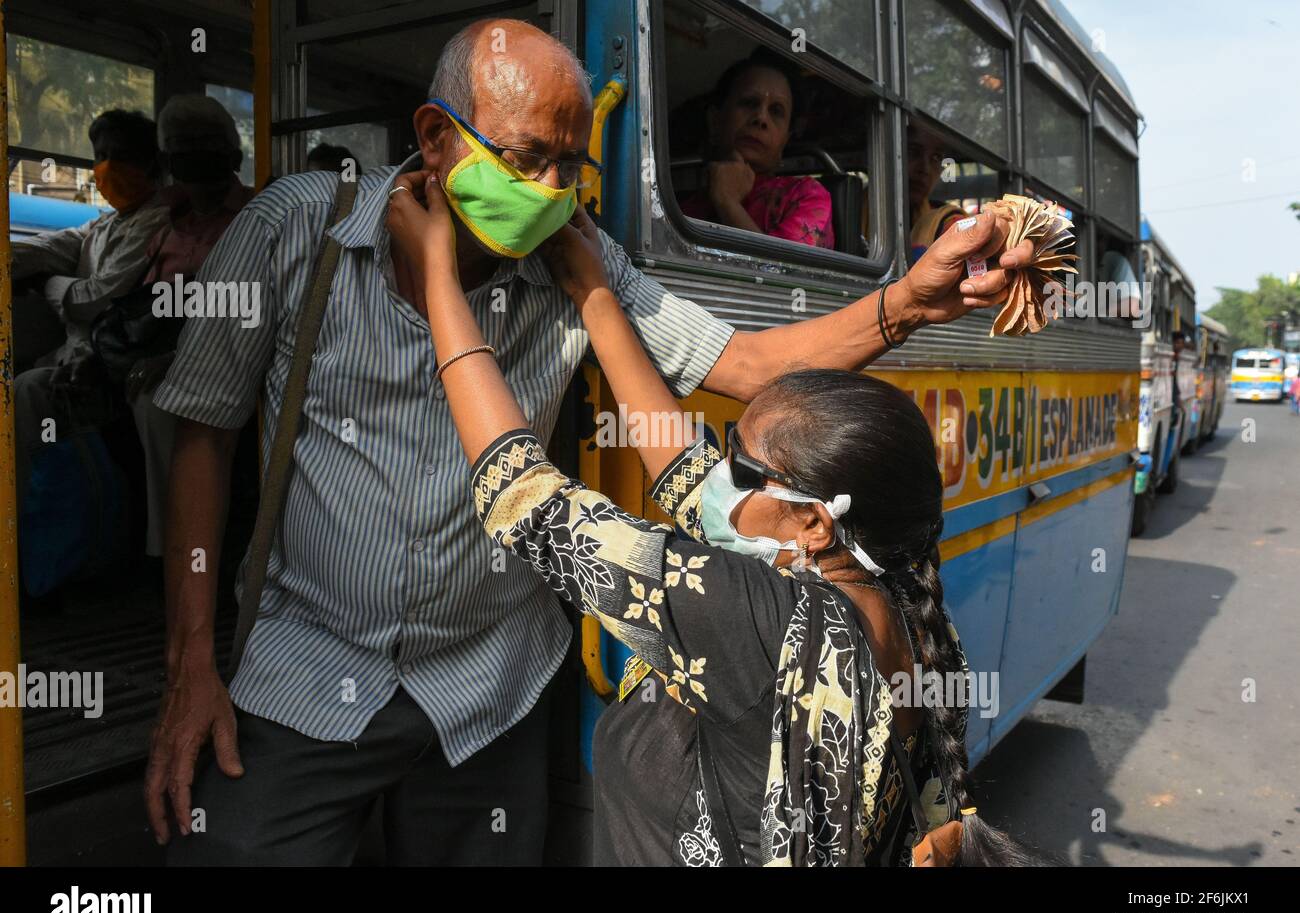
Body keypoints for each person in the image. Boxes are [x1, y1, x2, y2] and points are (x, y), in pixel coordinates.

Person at [147, 17, 1034, 865]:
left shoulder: (578, 256)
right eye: (526, 159)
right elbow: (203, 433)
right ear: (434, 134)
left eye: (569, 166)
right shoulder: (295, 228)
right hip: (305, 669)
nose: (548, 191)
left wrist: (910, 302)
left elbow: (746, 367)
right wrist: (193, 660)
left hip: (487, 689)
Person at [387, 177, 1037, 866]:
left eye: (742, 469)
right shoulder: (908, 606)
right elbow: (683, 470)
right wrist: (596, 296)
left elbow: (524, 496)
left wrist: (438, 284)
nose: (715, 478)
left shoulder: (757, 621)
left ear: (816, 524)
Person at [11, 109, 170, 518]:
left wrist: (49, 284)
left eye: (120, 155)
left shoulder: (159, 222)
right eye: (101, 155)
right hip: (76, 351)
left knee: (27, 392)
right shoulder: (100, 226)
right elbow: (47, 248)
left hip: (115, 361)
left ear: (150, 162)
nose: (108, 166)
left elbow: (100, 297)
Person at [127, 94, 255, 559]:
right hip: (162, 347)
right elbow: (144, 304)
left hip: (228, 356)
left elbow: (250, 309)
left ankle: (174, 554)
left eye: (206, 144)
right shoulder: (166, 227)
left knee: (160, 404)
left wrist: (177, 360)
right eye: (182, 146)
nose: (195, 155)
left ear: (233, 154)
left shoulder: (254, 217)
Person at [678, 48, 834, 249]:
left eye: (776, 111)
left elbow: (787, 275)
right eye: (749, 103)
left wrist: (728, 203)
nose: (761, 118)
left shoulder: (806, 196)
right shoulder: (678, 211)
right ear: (715, 121)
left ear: (785, 140)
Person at [907, 126, 965, 264]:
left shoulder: (946, 221)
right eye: (913, 152)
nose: (925, 169)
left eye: (936, 157)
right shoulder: (851, 211)